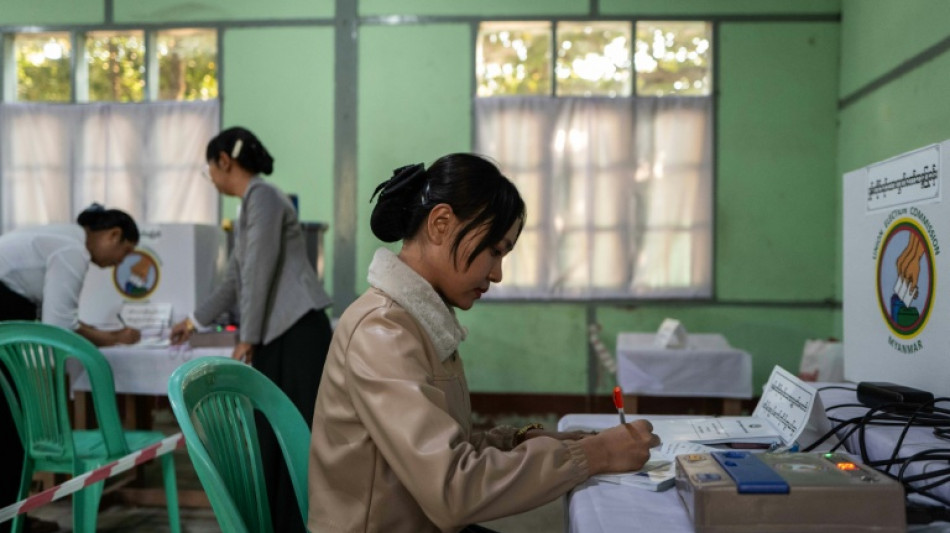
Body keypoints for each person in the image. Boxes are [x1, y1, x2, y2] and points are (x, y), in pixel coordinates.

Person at [308, 153, 660, 533]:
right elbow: (452, 490)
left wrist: (531, 442)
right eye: (494, 250)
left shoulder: (418, 320)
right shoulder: (383, 332)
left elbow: (448, 447)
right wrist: (595, 455)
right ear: (441, 224)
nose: (497, 273)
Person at [169, 126, 333, 533]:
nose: (209, 176)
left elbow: (258, 272)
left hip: (298, 333)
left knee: (292, 434)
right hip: (277, 334)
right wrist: (192, 322)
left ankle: (303, 523)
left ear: (225, 161)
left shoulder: (264, 198)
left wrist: (247, 338)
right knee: (271, 437)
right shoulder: (250, 206)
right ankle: (277, 523)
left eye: (210, 167)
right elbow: (235, 280)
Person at [0, 203, 142, 533]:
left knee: (10, 427)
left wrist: (109, 336)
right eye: (124, 252)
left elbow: (61, 321)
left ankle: (15, 515)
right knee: (10, 427)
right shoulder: (72, 250)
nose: (119, 263)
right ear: (113, 235)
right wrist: (113, 338)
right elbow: (59, 330)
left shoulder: (63, 236)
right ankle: (11, 520)